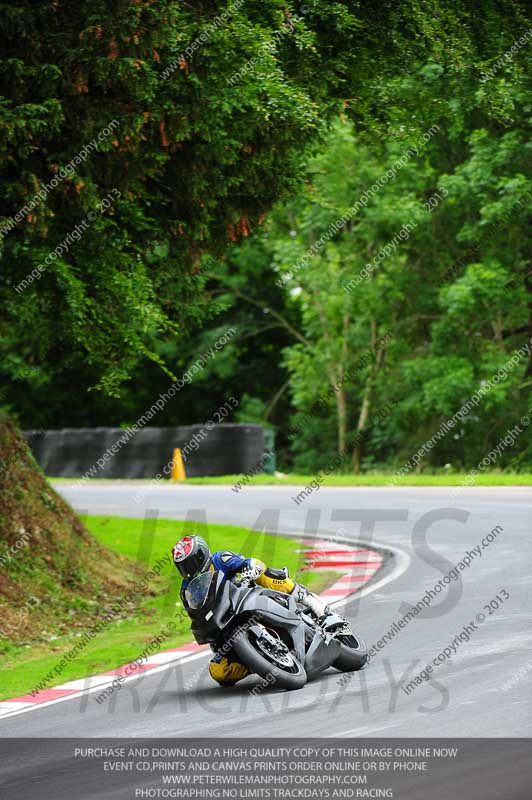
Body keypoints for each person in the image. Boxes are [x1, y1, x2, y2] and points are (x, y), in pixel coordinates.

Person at [172, 534, 329, 686]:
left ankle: (309, 599)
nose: (187, 570)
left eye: (190, 563)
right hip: (225, 622)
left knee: (264, 573)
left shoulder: (220, 559)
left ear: (201, 555)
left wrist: (250, 568)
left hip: (249, 598)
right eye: (182, 567)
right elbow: (197, 613)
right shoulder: (187, 591)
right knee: (218, 671)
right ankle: (256, 659)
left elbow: (249, 562)